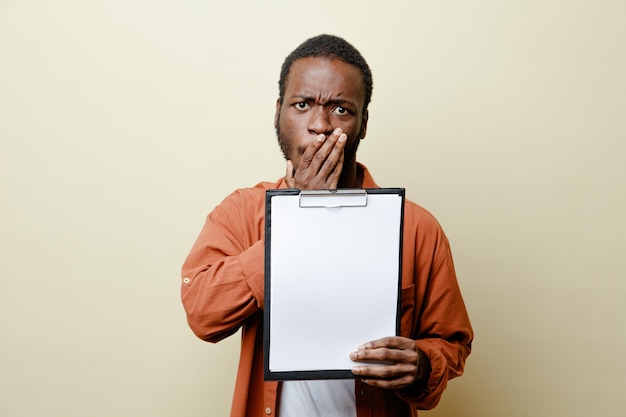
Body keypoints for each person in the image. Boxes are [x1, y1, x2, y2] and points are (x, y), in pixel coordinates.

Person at [181, 34, 473, 417]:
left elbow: (451, 342)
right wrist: (298, 222)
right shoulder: (240, 212)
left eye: (340, 109)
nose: (319, 125)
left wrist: (422, 365)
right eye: (302, 105)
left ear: (363, 124)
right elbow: (205, 315)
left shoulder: (415, 227)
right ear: (278, 112)